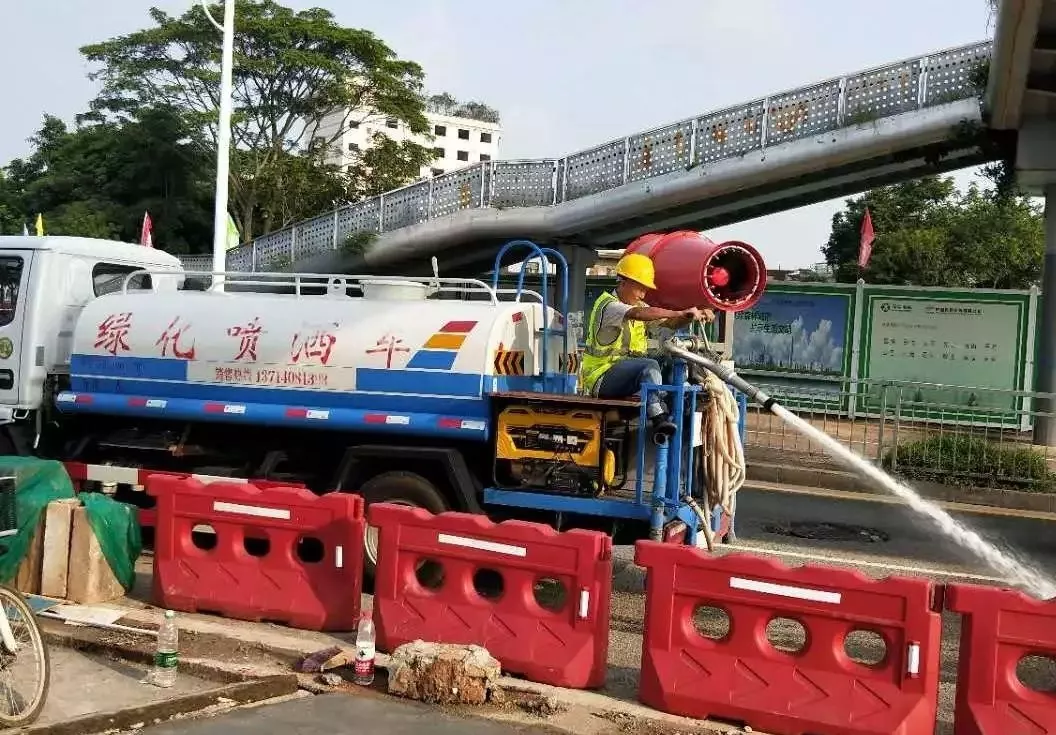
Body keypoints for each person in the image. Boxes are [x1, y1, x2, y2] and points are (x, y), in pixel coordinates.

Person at [580, 252, 714, 438]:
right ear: (623, 282)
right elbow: (640, 314)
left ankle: (679, 412)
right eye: (640, 288)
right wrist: (678, 312)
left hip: (628, 373)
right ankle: (658, 416)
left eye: (645, 290)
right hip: (601, 376)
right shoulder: (609, 305)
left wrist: (690, 316)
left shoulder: (639, 306)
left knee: (669, 360)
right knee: (649, 365)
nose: (643, 294)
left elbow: (669, 324)